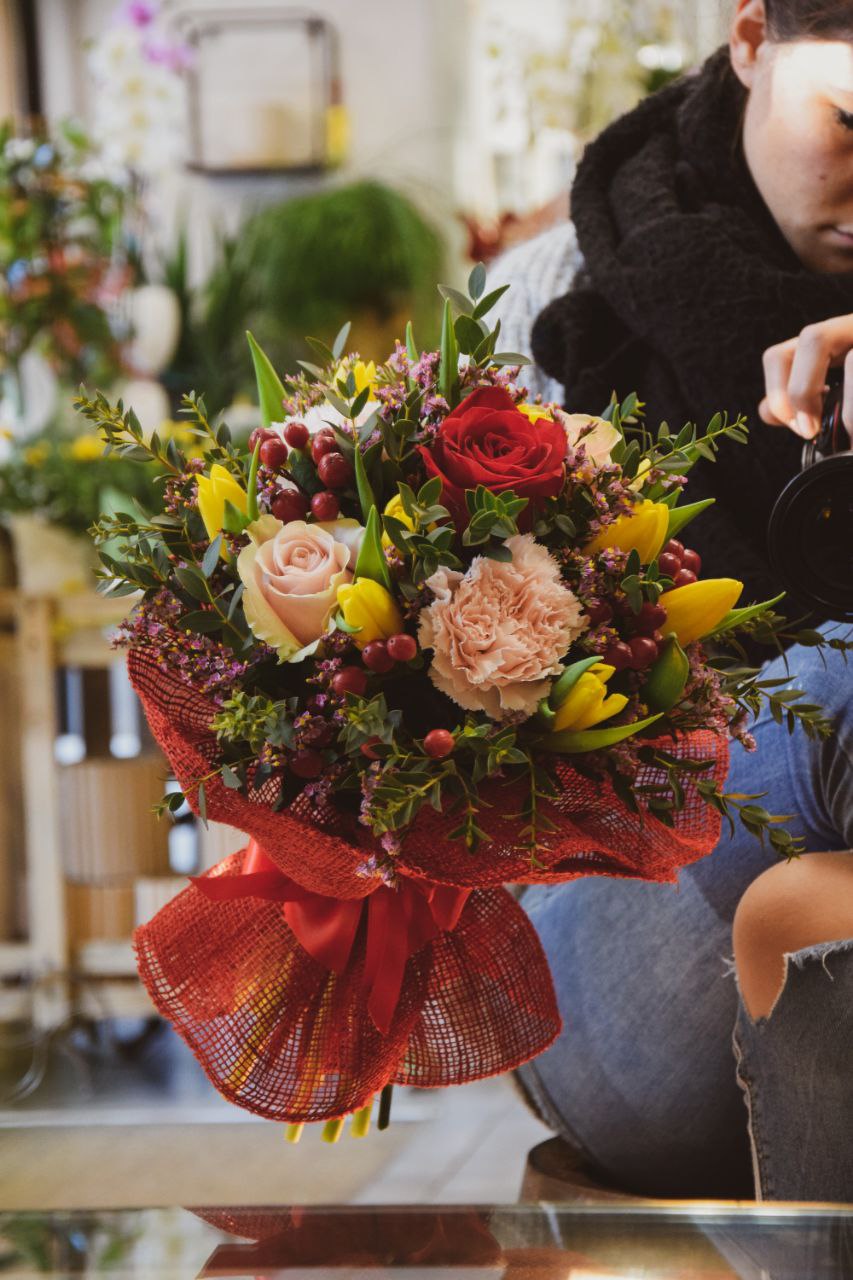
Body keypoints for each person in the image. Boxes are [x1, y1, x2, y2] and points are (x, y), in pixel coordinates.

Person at [491, 0, 853, 1202]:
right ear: (748, 37)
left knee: (816, 903)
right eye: (847, 122)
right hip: (614, 921)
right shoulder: (561, 289)